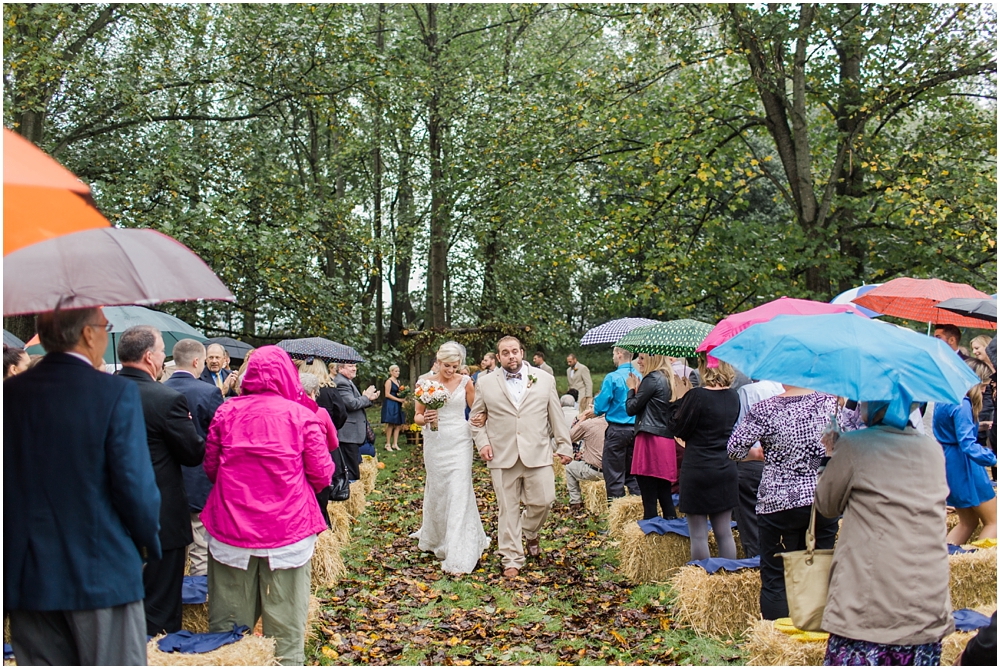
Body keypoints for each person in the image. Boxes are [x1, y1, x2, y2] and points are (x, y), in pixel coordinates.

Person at [4, 307, 161, 665]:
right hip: (101, 569)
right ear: (89, 334)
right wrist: (148, 542)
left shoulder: (8, 394)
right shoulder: (113, 393)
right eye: (106, 328)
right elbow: (135, 487)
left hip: (28, 574)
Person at [201, 346, 333, 666]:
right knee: (286, 624)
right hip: (288, 528)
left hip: (231, 527)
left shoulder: (227, 411)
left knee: (228, 626)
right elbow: (322, 473)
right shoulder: (301, 414)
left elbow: (211, 467)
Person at [816, 401, 953, 666]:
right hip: (927, 599)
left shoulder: (855, 446)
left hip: (871, 603)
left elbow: (826, 505)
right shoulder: (932, 449)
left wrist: (831, 452)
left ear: (876, 404)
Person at [728, 385, 846, 620]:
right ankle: (817, 631)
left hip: (777, 501)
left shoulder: (765, 409)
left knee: (775, 577)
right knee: (820, 570)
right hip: (821, 499)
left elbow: (733, 449)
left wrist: (756, 454)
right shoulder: (830, 405)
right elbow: (841, 448)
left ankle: (778, 638)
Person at [118, 326, 206, 637]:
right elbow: (192, 453)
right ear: (148, 357)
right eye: (160, 351)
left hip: (107, 512)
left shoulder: (97, 392)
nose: (163, 357)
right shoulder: (166, 399)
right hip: (158, 512)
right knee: (161, 604)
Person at [470, 335, 573, 578]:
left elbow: (556, 416)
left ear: (522, 352)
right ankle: (511, 558)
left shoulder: (545, 380)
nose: (511, 356)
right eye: (505, 353)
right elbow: (475, 420)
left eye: (514, 351)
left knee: (545, 501)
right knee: (508, 508)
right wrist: (483, 443)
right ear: (498, 357)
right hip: (502, 454)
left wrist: (564, 445)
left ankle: (530, 530)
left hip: (537, 452)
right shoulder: (485, 384)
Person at [410, 342, 490, 574]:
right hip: (435, 443)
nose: (451, 370)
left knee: (459, 488)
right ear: (438, 361)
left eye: (455, 366)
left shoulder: (466, 382)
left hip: (460, 441)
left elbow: (476, 410)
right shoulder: (425, 384)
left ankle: (458, 547)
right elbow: (417, 415)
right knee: (438, 488)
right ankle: (437, 536)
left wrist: (480, 419)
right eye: (447, 366)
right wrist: (425, 419)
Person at [164, 338, 225, 578]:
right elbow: (219, 436)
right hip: (199, 476)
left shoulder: (160, 389)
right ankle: (199, 598)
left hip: (165, 477)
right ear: (197, 361)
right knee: (200, 544)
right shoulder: (209, 392)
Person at [668, 359, 740, 561]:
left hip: (697, 469)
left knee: (698, 535)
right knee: (724, 532)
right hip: (725, 467)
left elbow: (677, 427)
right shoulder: (734, 396)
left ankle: (702, 579)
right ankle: (727, 578)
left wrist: (681, 398)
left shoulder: (696, 396)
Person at [933, 379, 998, 545]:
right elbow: (967, 444)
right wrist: (993, 460)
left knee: (968, 522)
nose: (984, 391)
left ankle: (948, 561)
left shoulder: (944, 399)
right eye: (983, 386)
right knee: (995, 521)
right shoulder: (963, 403)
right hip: (966, 465)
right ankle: (978, 562)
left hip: (949, 462)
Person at [626, 353, 682, 520]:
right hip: (665, 439)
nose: (639, 362)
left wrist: (631, 388)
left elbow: (631, 408)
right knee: (664, 491)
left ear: (653, 358)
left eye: (642, 358)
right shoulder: (669, 378)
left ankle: (651, 529)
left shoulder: (652, 378)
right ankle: (670, 527)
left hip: (649, 439)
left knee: (648, 493)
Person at [732, 379, 785, 558]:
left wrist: (752, 453)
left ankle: (756, 564)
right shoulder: (784, 390)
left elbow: (735, 438)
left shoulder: (746, 392)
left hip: (751, 463)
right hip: (781, 467)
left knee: (750, 525)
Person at [591, 347, 642, 500]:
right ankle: (637, 508)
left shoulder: (612, 377)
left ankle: (617, 510)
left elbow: (600, 408)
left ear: (619, 354)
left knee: (614, 475)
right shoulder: (641, 376)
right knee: (634, 474)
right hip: (636, 429)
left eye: (613, 353)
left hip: (617, 430)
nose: (613, 356)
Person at [300, 372, 341, 529]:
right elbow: (333, 442)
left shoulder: (288, 411)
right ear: (313, 392)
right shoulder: (321, 413)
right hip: (318, 467)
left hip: (297, 470)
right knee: (320, 508)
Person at [334, 362, 379, 481]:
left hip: (352, 433)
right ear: (340, 368)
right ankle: (349, 493)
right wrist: (366, 397)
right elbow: (352, 404)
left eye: (355, 366)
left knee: (354, 465)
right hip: (348, 434)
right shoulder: (341, 382)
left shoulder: (347, 380)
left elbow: (356, 402)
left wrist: (368, 399)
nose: (354, 369)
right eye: (350, 366)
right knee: (351, 470)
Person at [565, 415, 608, 514]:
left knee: (569, 467)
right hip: (615, 473)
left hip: (595, 471)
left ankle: (576, 502)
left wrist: (583, 417)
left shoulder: (588, 424)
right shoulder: (618, 423)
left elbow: (569, 438)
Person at [299, 357, 348, 430]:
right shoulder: (330, 389)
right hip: (325, 430)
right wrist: (332, 427)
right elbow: (341, 413)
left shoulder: (296, 388)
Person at [382, 364, 407, 451]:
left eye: (398, 371)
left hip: (398, 404)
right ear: (391, 372)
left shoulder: (398, 382)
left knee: (398, 424)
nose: (398, 373)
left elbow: (398, 392)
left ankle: (395, 443)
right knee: (391, 423)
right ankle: (388, 444)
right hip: (391, 403)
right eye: (396, 371)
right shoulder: (389, 381)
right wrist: (398, 399)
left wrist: (402, 396)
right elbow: (387, 394)